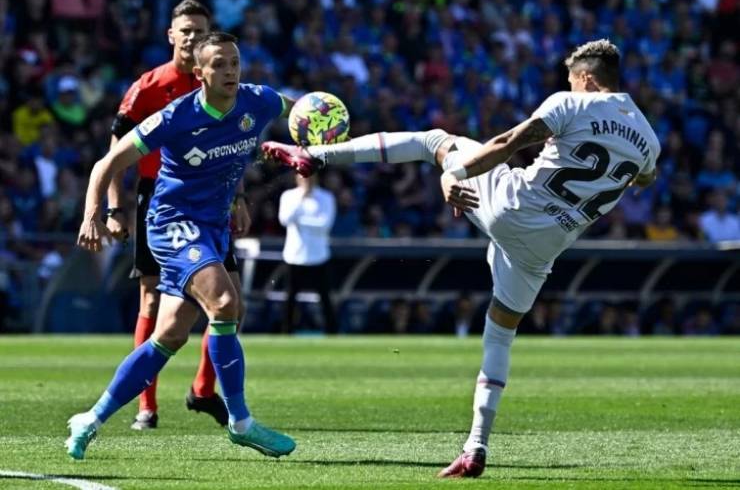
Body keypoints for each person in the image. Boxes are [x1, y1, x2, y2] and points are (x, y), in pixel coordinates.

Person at [262, 39, 660, 478]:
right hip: (547, 244)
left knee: (433, 140)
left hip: (511, 205)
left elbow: (510, 140)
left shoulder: (572, 103)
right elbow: (644, 177)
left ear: (585, 78)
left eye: (571, 79)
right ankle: (475, 447)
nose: (568, 85)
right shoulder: (649, 139)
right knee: (500, 335)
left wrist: (456, 173)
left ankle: (314, 155)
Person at [67, 32, 297, 460]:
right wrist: (92, 215)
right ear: (200, 73)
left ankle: (91, 417)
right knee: (226, 303)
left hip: (213, 227)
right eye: (220, 65)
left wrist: (315, 125)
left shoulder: (258, 100)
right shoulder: (176, 116)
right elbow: (108, 163)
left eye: (235, 63)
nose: (230, 71)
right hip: (172, 224)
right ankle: (241, 420)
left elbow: (298, 109)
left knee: (170, 335)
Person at [105, 0, 246, 430]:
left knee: (233, 303)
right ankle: (146, 405)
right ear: (171, 35)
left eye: (198, 31)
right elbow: (115, 153)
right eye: (184, 30)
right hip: (161, 202)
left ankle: (203, 390)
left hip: (214, 198)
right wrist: (115, 207)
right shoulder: (149, 87)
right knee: (153, 299)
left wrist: (237, 197)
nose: (190, 37)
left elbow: (233, 147)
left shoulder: (219, 82)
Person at [278, 173, 337, 334]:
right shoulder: (289, 196)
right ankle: (286, 332)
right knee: (290, 298)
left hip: (319, 255)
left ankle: (332, 332)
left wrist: (300, 222)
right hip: (294, 255)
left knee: (325, 298)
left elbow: (324, 225)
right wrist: (301, 199)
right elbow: (285, 219)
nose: (307, 180)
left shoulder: (326, 197)